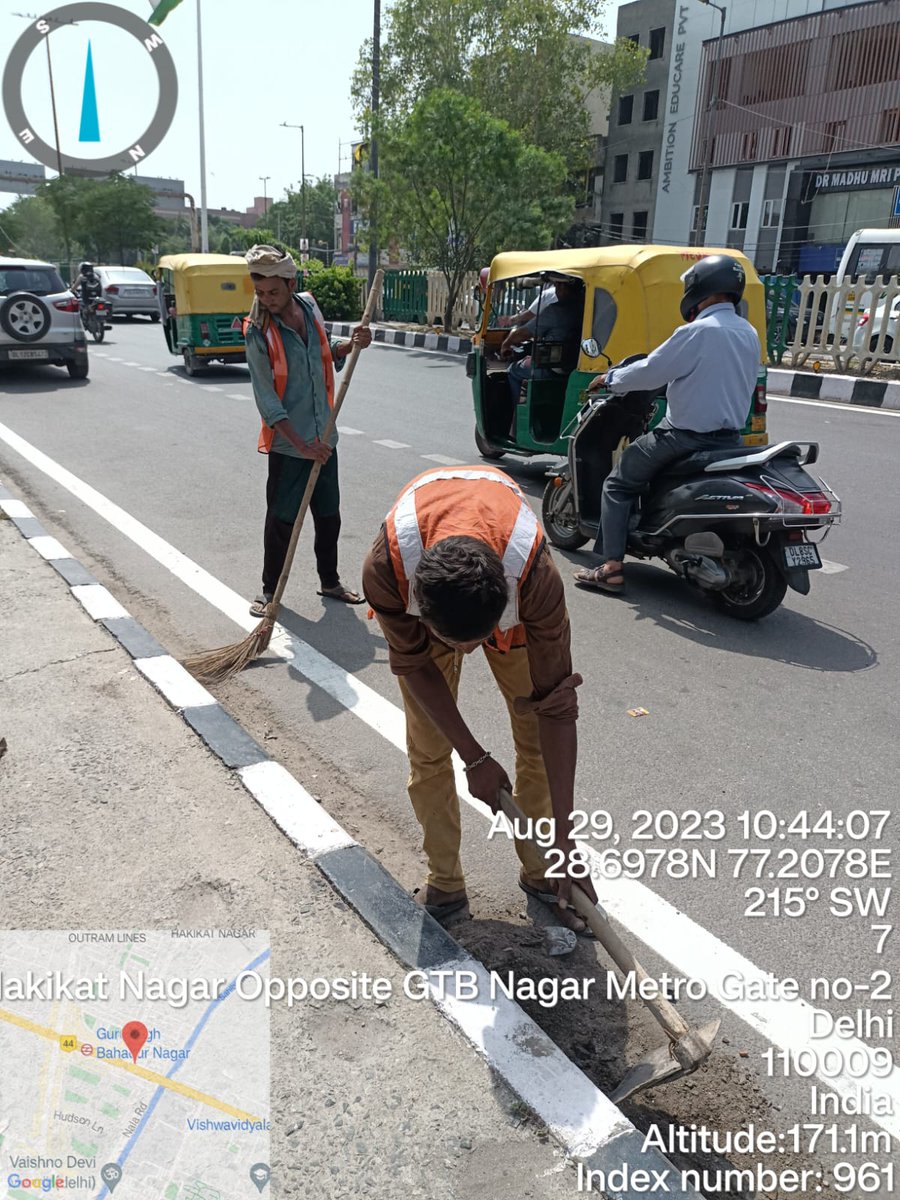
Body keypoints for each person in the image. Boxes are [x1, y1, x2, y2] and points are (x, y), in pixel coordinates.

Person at [362, 465, 597, 931]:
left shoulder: (536, 582)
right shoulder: (387, 569)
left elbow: (556, 709)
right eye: (454, 642)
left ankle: (543, 871)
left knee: (534, 744)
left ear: (504, 609)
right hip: (430, 572)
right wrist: (474, 758)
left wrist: (566, 843)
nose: (464, 654)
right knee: (428, 750)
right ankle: (445, 883)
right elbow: (413, 664)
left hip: (503, 587)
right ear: (421, 610)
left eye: (475, 641)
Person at [574, 255, 761, 594]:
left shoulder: (696, 332)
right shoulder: (748, 332)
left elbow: (651, 370)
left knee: (618, 483)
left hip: (684, 438)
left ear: (699, 289)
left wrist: (611, 379)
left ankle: (611, 567)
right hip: (729, 440)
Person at [244, 244, 372, 616]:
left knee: (329, 515)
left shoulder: (309, 307)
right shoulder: (257, 330)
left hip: (324, 437)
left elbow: (324, 348)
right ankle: (269, 592)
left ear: (290, 282)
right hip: (290, 447)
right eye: (260, 293)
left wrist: (351, 343)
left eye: (273, 292)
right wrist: (303, 445)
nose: (267, 300)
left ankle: (329, 582)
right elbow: (268, 401)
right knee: (282, 520)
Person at [501, 276, 583, 406]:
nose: (555, 290)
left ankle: (514, 417)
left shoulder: (557, 310)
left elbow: (523, 333)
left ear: (562, 287)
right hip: (578, 366)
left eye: (556, 286)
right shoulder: (587, 307)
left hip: (554, 369)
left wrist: (506, 344)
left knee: (514, 370)